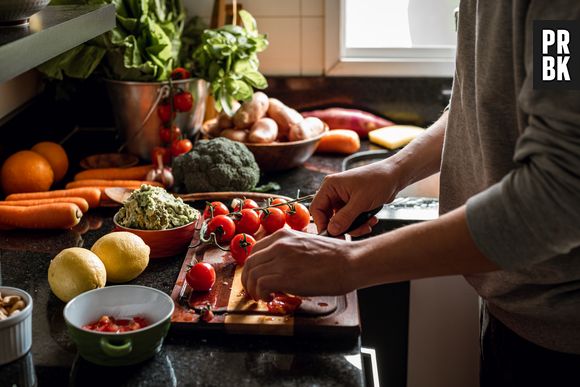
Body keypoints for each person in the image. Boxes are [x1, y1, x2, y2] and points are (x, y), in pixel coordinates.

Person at [241, 1, 580, 385]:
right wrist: (394, 169)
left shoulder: (561, 12)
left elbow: (560, 194)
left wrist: (350, 262)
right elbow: (487, 101)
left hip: (564, 345)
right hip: (515, 311)